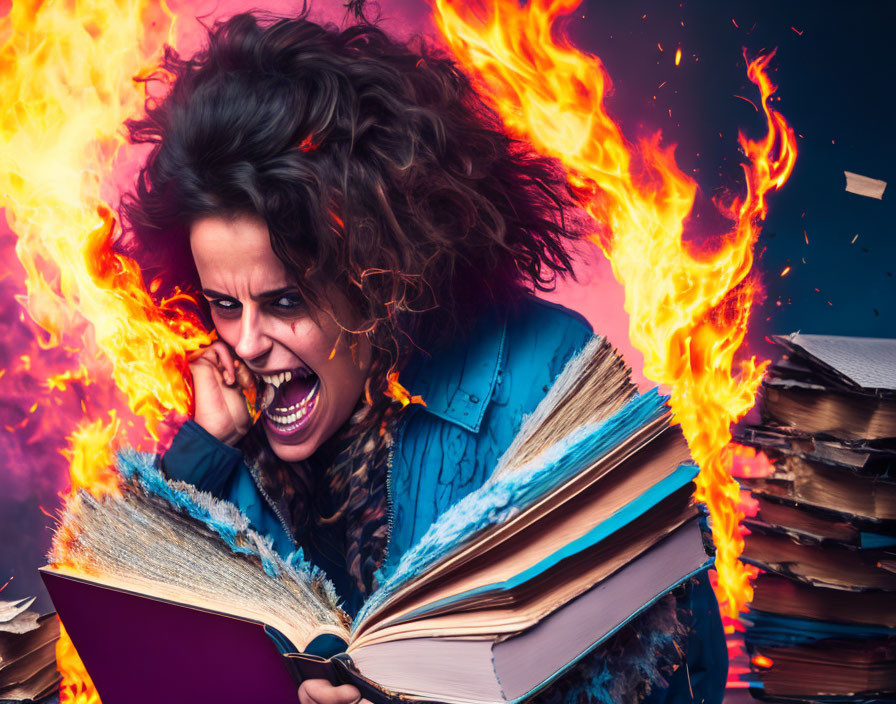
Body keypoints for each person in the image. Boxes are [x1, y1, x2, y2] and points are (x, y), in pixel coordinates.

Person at [120, 10, 727, 704]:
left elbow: (682, 675)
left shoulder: (544, 377)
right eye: (225, 305)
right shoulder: (233, 425)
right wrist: (206, 451)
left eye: (285, 302)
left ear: (377, 276)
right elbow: (157, 658)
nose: (248, 343)